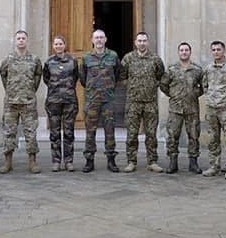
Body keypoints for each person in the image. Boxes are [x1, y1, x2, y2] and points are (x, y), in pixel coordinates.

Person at [120, 31, 166, 173]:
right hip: (133, 102)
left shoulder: (155, 59)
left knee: (151, 134)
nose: (142, 43)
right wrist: (132, 87)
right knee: (132, 133)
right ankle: (131, 161)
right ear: (135, 42)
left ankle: (152, 161)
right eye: (139, 40)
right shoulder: (128, 58)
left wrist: (151, 86)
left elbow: (161, 75)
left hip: (150, 102)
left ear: (148, 42)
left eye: (144, 40)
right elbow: (122, 76)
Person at [0, 30, 43, 174]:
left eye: (23, 38)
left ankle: (32, 161)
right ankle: (8, 162)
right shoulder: (8, 59)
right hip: (11, 103)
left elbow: (37, 77)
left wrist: (29, 91)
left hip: (28, 102)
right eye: (18, 38)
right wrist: (12, 90)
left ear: (27, 40)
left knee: (31, 132)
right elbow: (3, 76)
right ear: (15, 41)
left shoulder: (34, 59)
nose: (21, 41)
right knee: (9, 132)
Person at [79, 29, 121, 173]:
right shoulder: (86, 58)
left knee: (110, 131)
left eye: (101, 37)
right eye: (96, 38)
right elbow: (83, 78)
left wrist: (107, 88)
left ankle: (111, 160)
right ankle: (89, 160)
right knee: (90, 131)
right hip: (92, 100)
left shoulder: (113, 56)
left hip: (108, 100)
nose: (99, 40)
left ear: (105, 39)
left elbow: (117, 74)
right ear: (92, 40)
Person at [159, 42, 204, 174]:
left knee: (194, 136)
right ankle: (173, 162)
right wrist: (173, 95)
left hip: (192, 109)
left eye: (186, 50)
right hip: (175, 109)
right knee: (172, 136)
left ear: (190, 52)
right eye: (182, 50)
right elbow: (163, 85)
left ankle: (193, 163)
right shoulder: (171, 69)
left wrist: (194, 94)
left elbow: (203, 86)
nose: (184, 52)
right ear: (178, 53)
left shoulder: (197, 70)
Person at [201, 41, 226, 179]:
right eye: (213, 49)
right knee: (213, 139)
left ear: (224, 51)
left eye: (218, 49)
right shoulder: (208, 68)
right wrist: (211, 98)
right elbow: (205, 86)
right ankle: (214, 166)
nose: (216, 52)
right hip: (211, 108)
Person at [43, 35, 79, 172]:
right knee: (55, 132)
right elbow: (46, 78)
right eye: (56, 44)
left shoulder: (73, 61)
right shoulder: (48, 62)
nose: (58, 46)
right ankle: (56, 161)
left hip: (69, 101)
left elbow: (75, 77)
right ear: (53, 46)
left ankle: (69, 161)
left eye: (60, 44)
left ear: (65, 45)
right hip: (53, 101)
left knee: (69, 132)